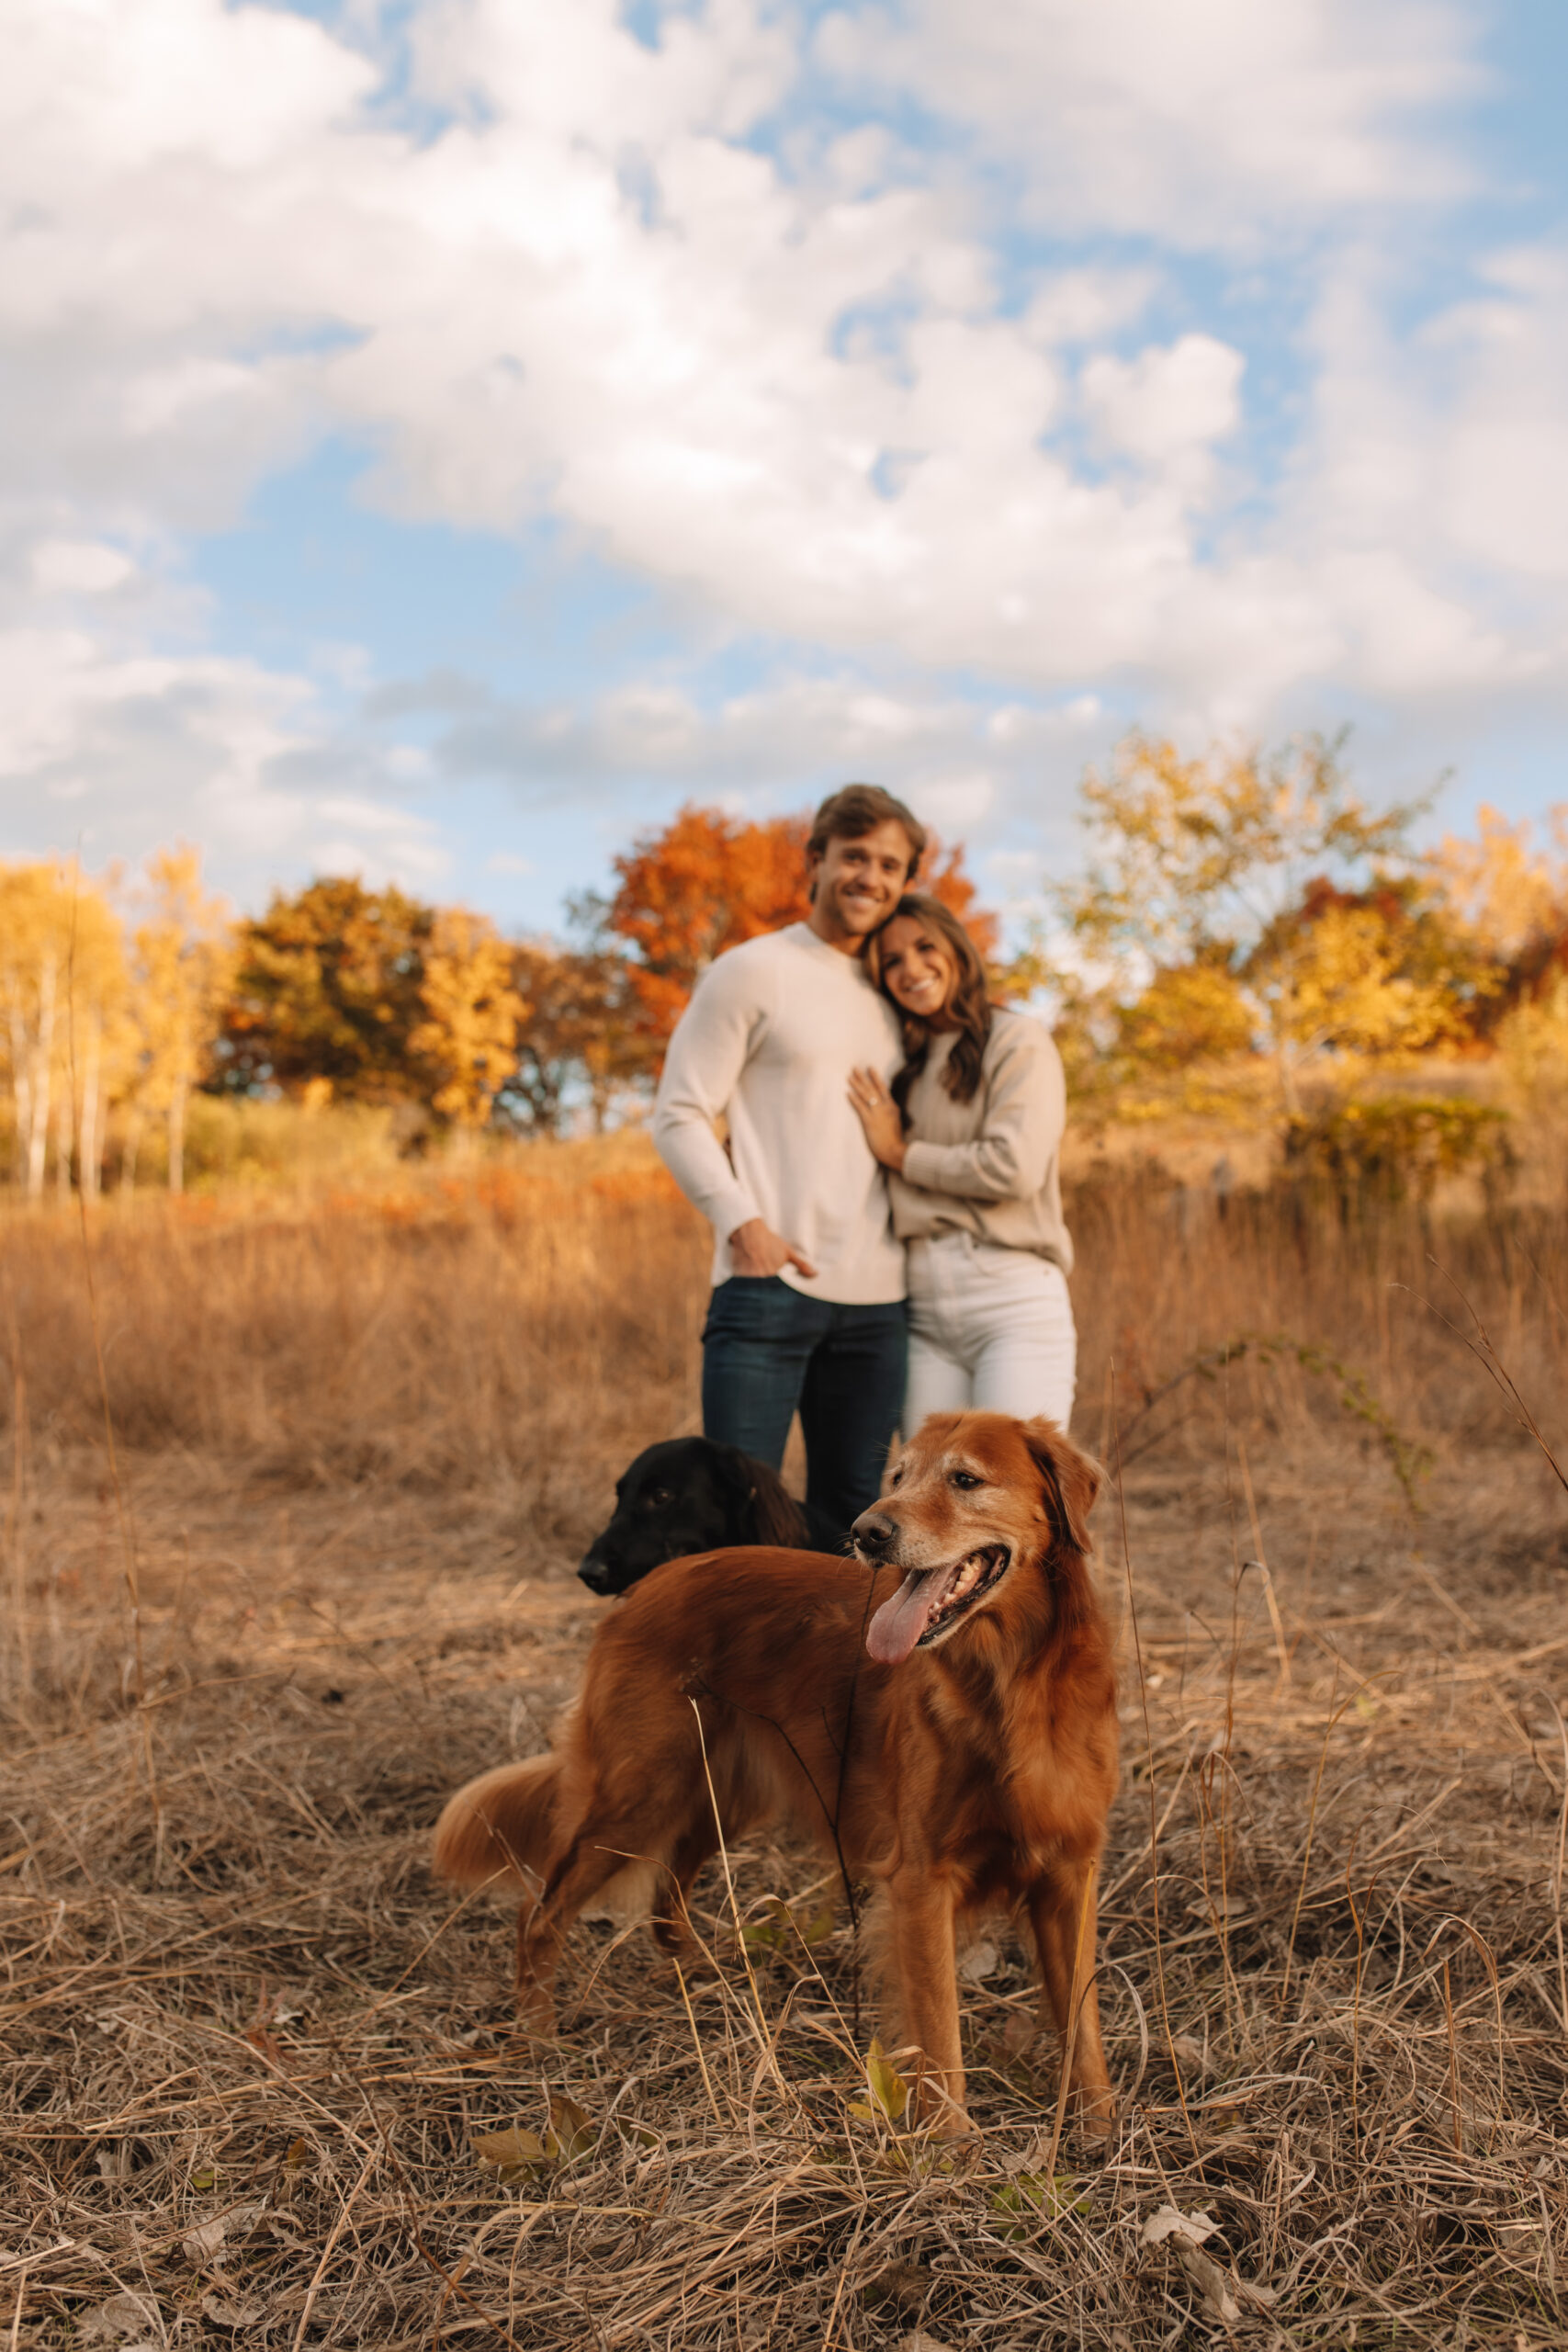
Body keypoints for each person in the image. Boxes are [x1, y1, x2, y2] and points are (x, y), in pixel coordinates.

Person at [652, 785, 926, 1527]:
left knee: (857, 1529)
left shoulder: (899, 992)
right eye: (855, 857)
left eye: (890, 865)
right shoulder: (752, 970)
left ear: (906, 883)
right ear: (816, 859)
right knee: (739, 1528)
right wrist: (744, 1225)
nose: (870, 877)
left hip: (879, 1306)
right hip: (767, 1287)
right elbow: (677, 1113)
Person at [847, 893, 1077, 1430]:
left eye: (925, 947)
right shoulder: (900, 1064)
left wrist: (901, 1155)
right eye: (893, 962)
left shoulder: (1017, 1040)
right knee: (927, 1504)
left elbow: (1012, 1168)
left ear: (957, 949)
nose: (912, 969)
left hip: (1010, 1293)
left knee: (1014, 1494)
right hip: (920, 1304)